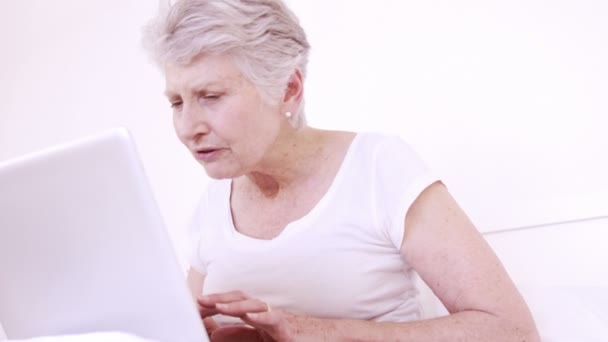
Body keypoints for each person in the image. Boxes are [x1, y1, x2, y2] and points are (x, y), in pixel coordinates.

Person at [143, 0, 540, 340]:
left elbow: (512, 331)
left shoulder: (377, 167)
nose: (187, 127)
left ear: (288, 89)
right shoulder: (212, 205)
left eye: (210, 96)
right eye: (176, 102)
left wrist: (322, 332)